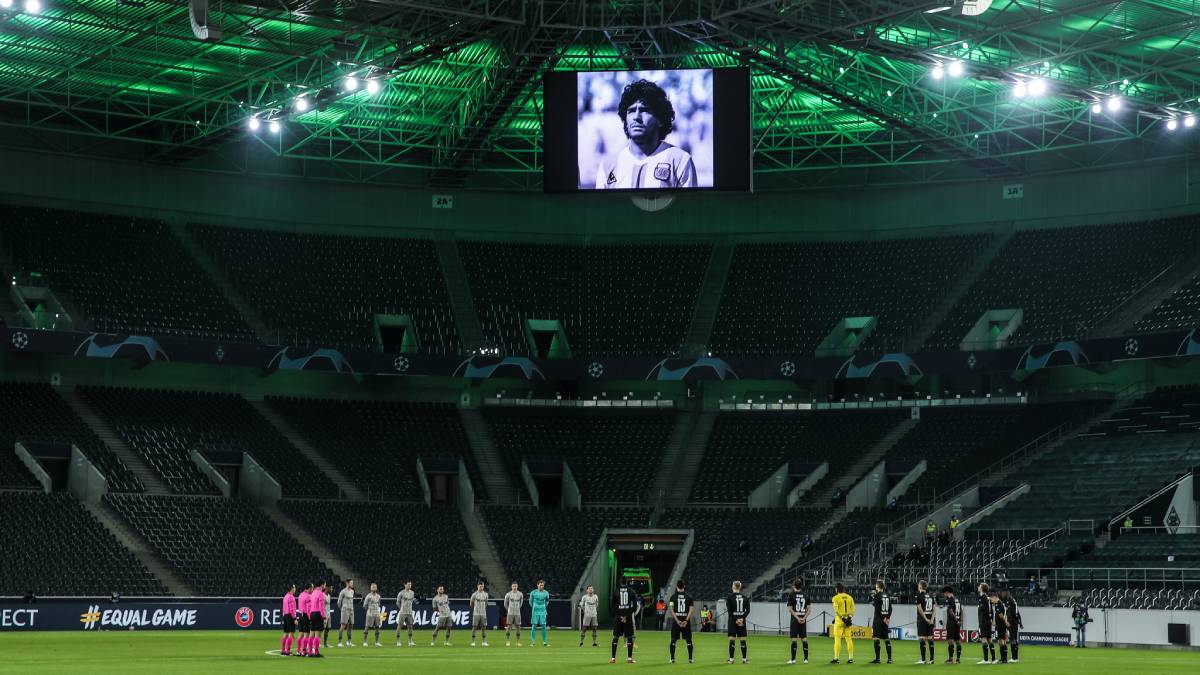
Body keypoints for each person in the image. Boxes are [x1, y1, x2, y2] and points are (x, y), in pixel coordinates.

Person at [593, 79, 698, 190]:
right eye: (631, 111)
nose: (636, 117)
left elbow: (689, 207)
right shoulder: (608, 165)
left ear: (660, 120)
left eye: (644, 110)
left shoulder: (680, 160)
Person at [610, 578, 642, 664]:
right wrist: (627, 615)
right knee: (629, 637)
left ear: (620, 582)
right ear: (627, 582)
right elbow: (635, 606)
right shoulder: (631, 591)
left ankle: (613, 658)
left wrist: (620, 615)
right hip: (628, 618)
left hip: (618, 618)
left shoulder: (616, 591)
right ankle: (629, 658)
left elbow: (612, 606)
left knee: (616, 637)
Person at [786, 578, 812, 665]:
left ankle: (793, 659)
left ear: (794, 586)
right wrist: (803, 618)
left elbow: (790, 610)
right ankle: (806, 659)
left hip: (794, 620)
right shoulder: (805, 595)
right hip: (803, 620)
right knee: (804, 639)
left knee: (794, 639)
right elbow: (809, 610)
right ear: (801, 586)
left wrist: (797, 618)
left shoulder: (791, 595)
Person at [667, 579, 694, 664]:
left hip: (676, 622)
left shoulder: (673, 597)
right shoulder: (689, 597)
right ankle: (690, 659)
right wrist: (686, 620)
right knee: (689, 640)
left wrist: (677, 621)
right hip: (686, 622)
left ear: (676, 586)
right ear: (684, 586)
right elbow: (691, 610)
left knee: (673, 640)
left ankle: (672, 659)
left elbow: (671, 610)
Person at [726, 580, 750, 664]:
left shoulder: (729, 597)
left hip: (733, 621)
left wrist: (735, 620)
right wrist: (742, 618)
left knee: (732, 639)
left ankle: (731, 659)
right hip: (741, 621)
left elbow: (729, 611)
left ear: (733, 587)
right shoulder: (745, 597)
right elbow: (748, 611)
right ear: (740, 587)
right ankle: (744, 659)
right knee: (743, 640)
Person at [830, 583, 855, 665]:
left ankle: (836, 658)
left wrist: (843, 618)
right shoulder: (850, 597)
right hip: (848, 620)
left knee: (837, 639)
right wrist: (849, 618)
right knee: (848, 639)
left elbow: (836, 610)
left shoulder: (835, 598)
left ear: (837, 589)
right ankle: (851, 658)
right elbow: (853, 610)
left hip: (840, 620)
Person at [868, 579, 892, 665]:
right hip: (885, 620)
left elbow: (878, 609)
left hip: (878, 619)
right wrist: (887, 618)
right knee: (886, 639)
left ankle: (878, 659)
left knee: (876, 638)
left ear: (877, 586)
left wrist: (882, 618)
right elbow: (890, 608)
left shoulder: (877, 595)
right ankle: (890, 659)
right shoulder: (887, 595)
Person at [914, 579, 935, 664]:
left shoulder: (919, 595)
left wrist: (926, 619)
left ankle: (923, 660)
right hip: (931, 620)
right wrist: (932, 619)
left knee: (922, 638)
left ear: (920, 586)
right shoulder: (930, 595)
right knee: (930, 638)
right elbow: (934, 609)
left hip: (923, 620)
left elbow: (919, 608)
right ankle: (932, 659)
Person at [943, 585, 963, 664]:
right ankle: (958, 659)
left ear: (947, 592)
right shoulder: (957, 599)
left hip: (952, 622)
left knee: (950, 640)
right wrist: (959, 620)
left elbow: (951, 611)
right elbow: (961, 610)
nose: (944, 595)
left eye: (944, 593)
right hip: (957, 622)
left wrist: (955, 620)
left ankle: (950, 659)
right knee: (958, 640)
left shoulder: (950, 599)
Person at [1000, 588, 1021, 663]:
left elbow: (1016, 613)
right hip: (1012, 623)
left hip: (1013, 623)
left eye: (1003, 592)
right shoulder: (1008, 600)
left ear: (1006, 592)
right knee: (1013, 639)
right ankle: (1015, 657)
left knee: (1013, 639)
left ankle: (1014, 658)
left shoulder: (1011, 601)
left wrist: (1011, 622)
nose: (1002, 594)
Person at [395, 580, 418, 647]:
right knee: (400, 626)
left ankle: (410, 641)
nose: (409, 586)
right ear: (405, 585)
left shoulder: (412, 593)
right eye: (408, 584)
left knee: (410, 626)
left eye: (410, 584)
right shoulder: (401, 593)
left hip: (410, 612)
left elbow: (412, 601)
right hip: (403, 612)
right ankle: (398, 641)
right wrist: (401, 608)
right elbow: (397, 602)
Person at [977, 583, 995, 664]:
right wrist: (991, 619)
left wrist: (988, 618)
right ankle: (993, 659)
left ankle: (986, 659)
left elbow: (988, 610)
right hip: (987, 621)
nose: (978, 587)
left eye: (980, 586)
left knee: (983, 638)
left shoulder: (983, 598)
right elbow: (991, 610)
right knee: (989, 639)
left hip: (984, 621)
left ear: (982, 588)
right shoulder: (987, 598)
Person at [308, 581, 327, 658]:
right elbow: (321, 606)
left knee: (311, 634)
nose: (325, 586)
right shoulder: (321, 594)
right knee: (318, 634)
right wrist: (324, 617)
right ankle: (316, 651)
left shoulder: (313, 593)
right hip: (318, 614)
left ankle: (310, 651)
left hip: (312, 614)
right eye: (325, 584)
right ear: (322, 585)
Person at [529, 580, 550, 647]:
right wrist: (534, 607)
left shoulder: (546, 593)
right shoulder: (533, 592)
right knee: (534, 626)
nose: (542, 586)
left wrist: (543, 607)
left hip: (543, 611)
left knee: (543, 626)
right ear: (537, 585)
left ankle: (544, 642)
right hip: (535, 611)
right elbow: (530, 601)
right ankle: (533, 642)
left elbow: (547, 601)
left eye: (543, 585)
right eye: (540, 585)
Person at [470, 582, 490, 647]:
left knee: (483, 627)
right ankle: (473, 641)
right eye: (480, 586)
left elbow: (486, 603)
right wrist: (476, 609)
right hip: (476, 613)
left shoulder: (486, 594)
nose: (481, 587)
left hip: (483, 613)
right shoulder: (474, 594)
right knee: (474, 627)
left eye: (482, 586)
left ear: (483, 586)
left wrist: (482, 609)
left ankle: (484, 642)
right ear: (477, 586)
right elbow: (471, 603)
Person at [504, 582, 524, 646]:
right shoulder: (508, 594)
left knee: (518, 627)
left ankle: (518, 642)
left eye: (515, 586)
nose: (514, 587)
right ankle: (507, 641)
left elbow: (521, 603)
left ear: (517, 587)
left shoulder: (520, 594)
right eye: (513, 586)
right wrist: (509, 609)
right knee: (509, 626)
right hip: (510, 613)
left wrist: (517, 608)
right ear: (511, 587)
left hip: (517, 613)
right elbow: (505, 603)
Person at [362, 582, 382, 647]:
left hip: (377, 614)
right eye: (373, 587)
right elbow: (365, 605)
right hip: (370, 614)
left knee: (377, 627)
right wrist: (369, 610)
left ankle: (377, 642)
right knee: (367, 627)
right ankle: (365, 642)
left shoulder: (378, 596)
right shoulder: (368, 596)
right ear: (370, 588)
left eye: (375, 587)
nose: (374, 588)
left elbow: (379, 604)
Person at [337, 579, 355, 647]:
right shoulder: (343, 591)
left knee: (351, 625)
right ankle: (340, 642)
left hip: (351, 610)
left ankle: (349, 642)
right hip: (345, 610)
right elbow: (339, 602)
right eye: (351, 583)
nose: (352, 584)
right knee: (343, 626)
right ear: (347, 583)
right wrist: (343, 609)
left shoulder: (352, 591)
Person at [281, 584, 297, 656]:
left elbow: (284, 608)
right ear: (291, 588)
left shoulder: (285, 596)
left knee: (285, 633)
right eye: (294, 588)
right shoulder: (291, 597)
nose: (295, 589)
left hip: (285, 615)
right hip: (290, 616)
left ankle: (283, 650)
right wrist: (294, 618)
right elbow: (292, 609)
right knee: (291, 633)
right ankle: (288, 650)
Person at [296, 582, 312, 656]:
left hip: (300, 615)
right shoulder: (309, 596)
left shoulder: (300, 594)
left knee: (300, 633)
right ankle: (304, 651)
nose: (312, 589)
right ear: (309, 588)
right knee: (306, 634)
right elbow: (308, 608)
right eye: (312, 588)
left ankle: (298, 651)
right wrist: (310, 617)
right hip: (306, 616)